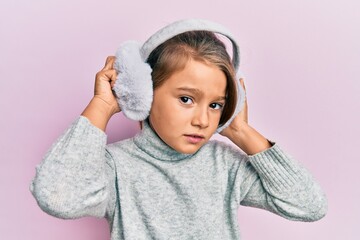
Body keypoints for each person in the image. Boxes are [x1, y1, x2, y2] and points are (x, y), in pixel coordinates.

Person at [30, 21, 327, 240]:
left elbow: (309, 205)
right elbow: (59, 198)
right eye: (186, 99)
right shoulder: (115, 167)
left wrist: (240, 130)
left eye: (215, 105)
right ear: (143, 93)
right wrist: (103, 104)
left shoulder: (224, 165)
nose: (202, 120)